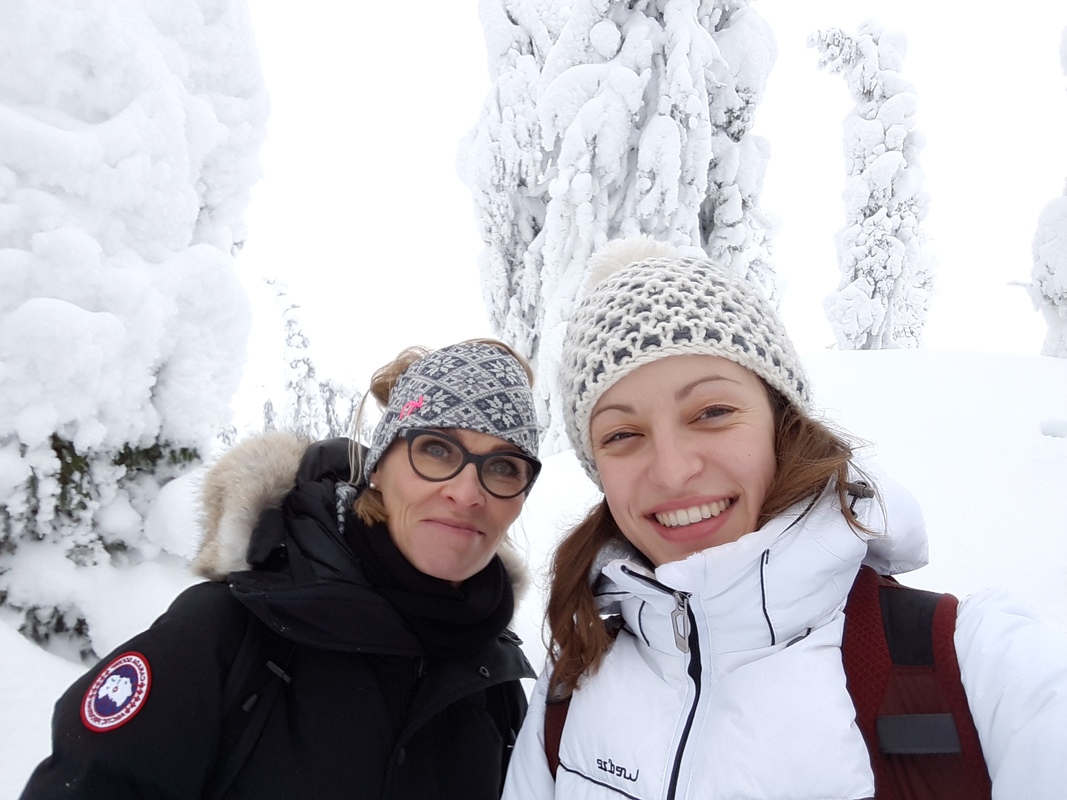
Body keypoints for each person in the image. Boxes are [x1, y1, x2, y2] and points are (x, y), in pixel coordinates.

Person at [502, 238, 1067, 798]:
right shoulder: (571, 688)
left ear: (782, 423)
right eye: (623, 434)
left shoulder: (979, 667)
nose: (672, 472)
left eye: (712, 412)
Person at [22, 339, 542, 800]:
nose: (466, 493)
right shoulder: (227, 636)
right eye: (436, 449)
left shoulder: (494, 681)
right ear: (379, 468)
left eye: (503, 466)